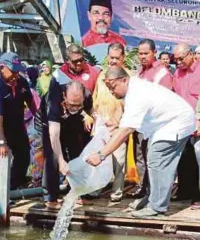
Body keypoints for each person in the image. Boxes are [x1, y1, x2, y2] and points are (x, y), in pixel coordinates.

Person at [86, 66, 196, 218]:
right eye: (109, 88)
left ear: (124, 80)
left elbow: (125, 130)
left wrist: (101, 154)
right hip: (164, 124)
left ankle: (157, 207)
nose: (111, 92)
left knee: (158, 161)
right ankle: (152, 199)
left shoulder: (137, 94)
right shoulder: (133, 89)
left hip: (177, 122)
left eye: (113, 87)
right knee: (153, 159)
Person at [0, 52, 37, 196]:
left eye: (17, 71)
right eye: (13, 71)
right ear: (2, 67)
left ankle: (13, 188)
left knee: (24, 157)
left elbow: (32, 104)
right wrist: (2, 142)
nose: (16, 74)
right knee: (2, 159)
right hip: (0, 126)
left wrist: (41, 122)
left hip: (18, 124)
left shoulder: (22, 82)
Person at [131, 39, 174, 200]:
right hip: (140, 124)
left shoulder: (162, 73)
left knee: (154, 161)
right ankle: (143, 189)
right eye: (140, 53)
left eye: (146, 53)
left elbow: (164, 101)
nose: (142, 57)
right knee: (140, 158)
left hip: (155, 125)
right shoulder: (139, 73)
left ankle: (156, 195)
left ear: (154, 52)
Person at [46, 81, 92, 208]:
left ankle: (79, 193)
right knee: (53, 158)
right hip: (48, 125)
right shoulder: (54, 101)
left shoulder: (87, 96)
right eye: (72, 104)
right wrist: (61, 160)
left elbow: (93, 111)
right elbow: (54, 135)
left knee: (77, 152)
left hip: (71, 121)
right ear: (64, 96)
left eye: (78, 105)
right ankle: (51, 197)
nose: (75, 108)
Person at [92, 43, 127, 202]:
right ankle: (96, 189)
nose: (113, 61)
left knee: (119, 161)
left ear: (123, 58)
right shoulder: (100, 76)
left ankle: (117, 192)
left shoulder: (128, 77)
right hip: (101, 124)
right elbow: (95, 97)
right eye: (111, 57)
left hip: (119, 124)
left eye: (116, 58)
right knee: (99, 158)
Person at [173, 43, 200, 201]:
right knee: (184, 160)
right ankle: (185, 193)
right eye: (176, 59)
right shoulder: (177, 73)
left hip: (197, 122)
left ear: (190, 54)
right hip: (182, 124)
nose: (178, 62)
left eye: (181, 58)